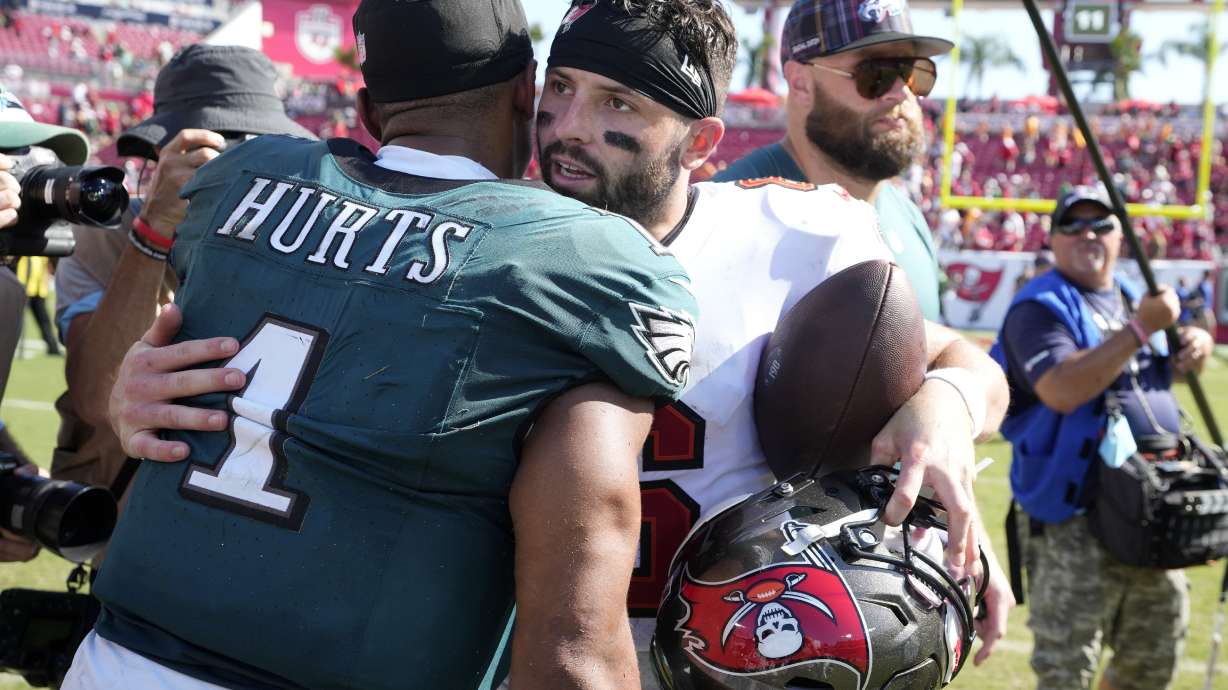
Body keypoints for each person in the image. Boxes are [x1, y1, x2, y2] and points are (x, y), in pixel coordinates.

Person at [111, 1, 1012, 683]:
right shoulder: (477, 239)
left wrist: (943, 413)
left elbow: (968, 361)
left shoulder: (798, 238)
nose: (570, 128)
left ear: (701, 144)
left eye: (619, 102)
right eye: (564, 90)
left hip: (745, 653)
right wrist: (141, 390)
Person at [67, 1, 696, 688]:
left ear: (368, 111)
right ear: (525, 92)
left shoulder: (237, 178)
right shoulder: (584, 258)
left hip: (116, 657)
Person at [52, 45, 315, 498]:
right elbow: (98, 398)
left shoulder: (303, 241)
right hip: (129, 519)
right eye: (215, 146)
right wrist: (154, 231)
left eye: (251, 150)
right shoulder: (108, 234)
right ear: (163, 151)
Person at [991, 186, 1215, 690]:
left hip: (1151, 507)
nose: (1087, 234)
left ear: (1122, 235)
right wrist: (1140, 329)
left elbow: (1151, 373)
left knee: (1150, 658)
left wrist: (1190, 348)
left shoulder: (1136, 295)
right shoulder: (1038, 308)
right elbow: (1063, 388)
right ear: (1052, 238)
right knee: (1067, 668)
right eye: (1073, 224)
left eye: (1101, 223)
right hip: (1075, 515)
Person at [712, 0, 948, 322]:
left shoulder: (909, 219)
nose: (900, 93)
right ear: (800, 83)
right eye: (874, 73)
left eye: (911, 73)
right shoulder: (725, 217)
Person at [0, 87, 92, 562]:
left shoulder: (6, 289)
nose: (28, 185)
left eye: (34, 159)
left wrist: (10, 469)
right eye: (7, 160)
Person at [15, 256, 59, 355]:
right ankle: (9, 346)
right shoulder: (25, 248)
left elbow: (47, 267)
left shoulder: (43, 252)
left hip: (39, 290)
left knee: (44, 320)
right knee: (17, 321)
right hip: (24, 289)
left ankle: (53, 348)